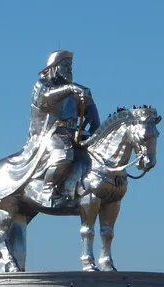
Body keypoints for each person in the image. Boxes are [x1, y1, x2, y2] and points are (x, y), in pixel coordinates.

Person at [22, 50, 100, 208]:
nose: (69, 69)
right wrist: (71, 88)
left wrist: (94, 126)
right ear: (54, 68)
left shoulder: (73, 91)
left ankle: (72, 189)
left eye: (70, 66)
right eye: (65, 65)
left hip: (73, 133)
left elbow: (91, 113)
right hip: (50, 134)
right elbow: (47, 99)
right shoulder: (43, 85)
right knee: (63, 154)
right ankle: (47, 190)